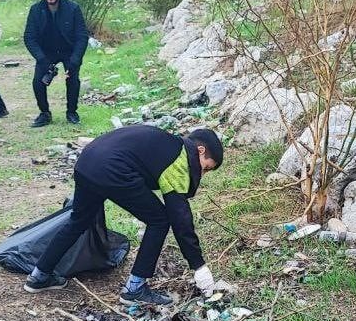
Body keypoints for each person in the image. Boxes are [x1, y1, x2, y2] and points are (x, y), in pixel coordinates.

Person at [25, 125, 225, 305]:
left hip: (87, 162)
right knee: (160, 220)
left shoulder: (165, 143)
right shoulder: (179, 160)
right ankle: (135, 289)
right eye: (205, 167)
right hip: (112, 168)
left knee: (78, 220)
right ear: (200, 150)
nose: (202, 174)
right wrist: (199, 266)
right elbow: (180, 218)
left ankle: (39, 276)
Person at [23, 0, 87, 127]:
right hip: (47, 53)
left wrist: (75, 59)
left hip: (68, 50)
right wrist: (42, 59)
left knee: (73, 79)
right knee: (37, 82)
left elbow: (82, 36)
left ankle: (72, 112)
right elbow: (29, 37)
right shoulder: (36, 10)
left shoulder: (73, 8)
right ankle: (45, 113)